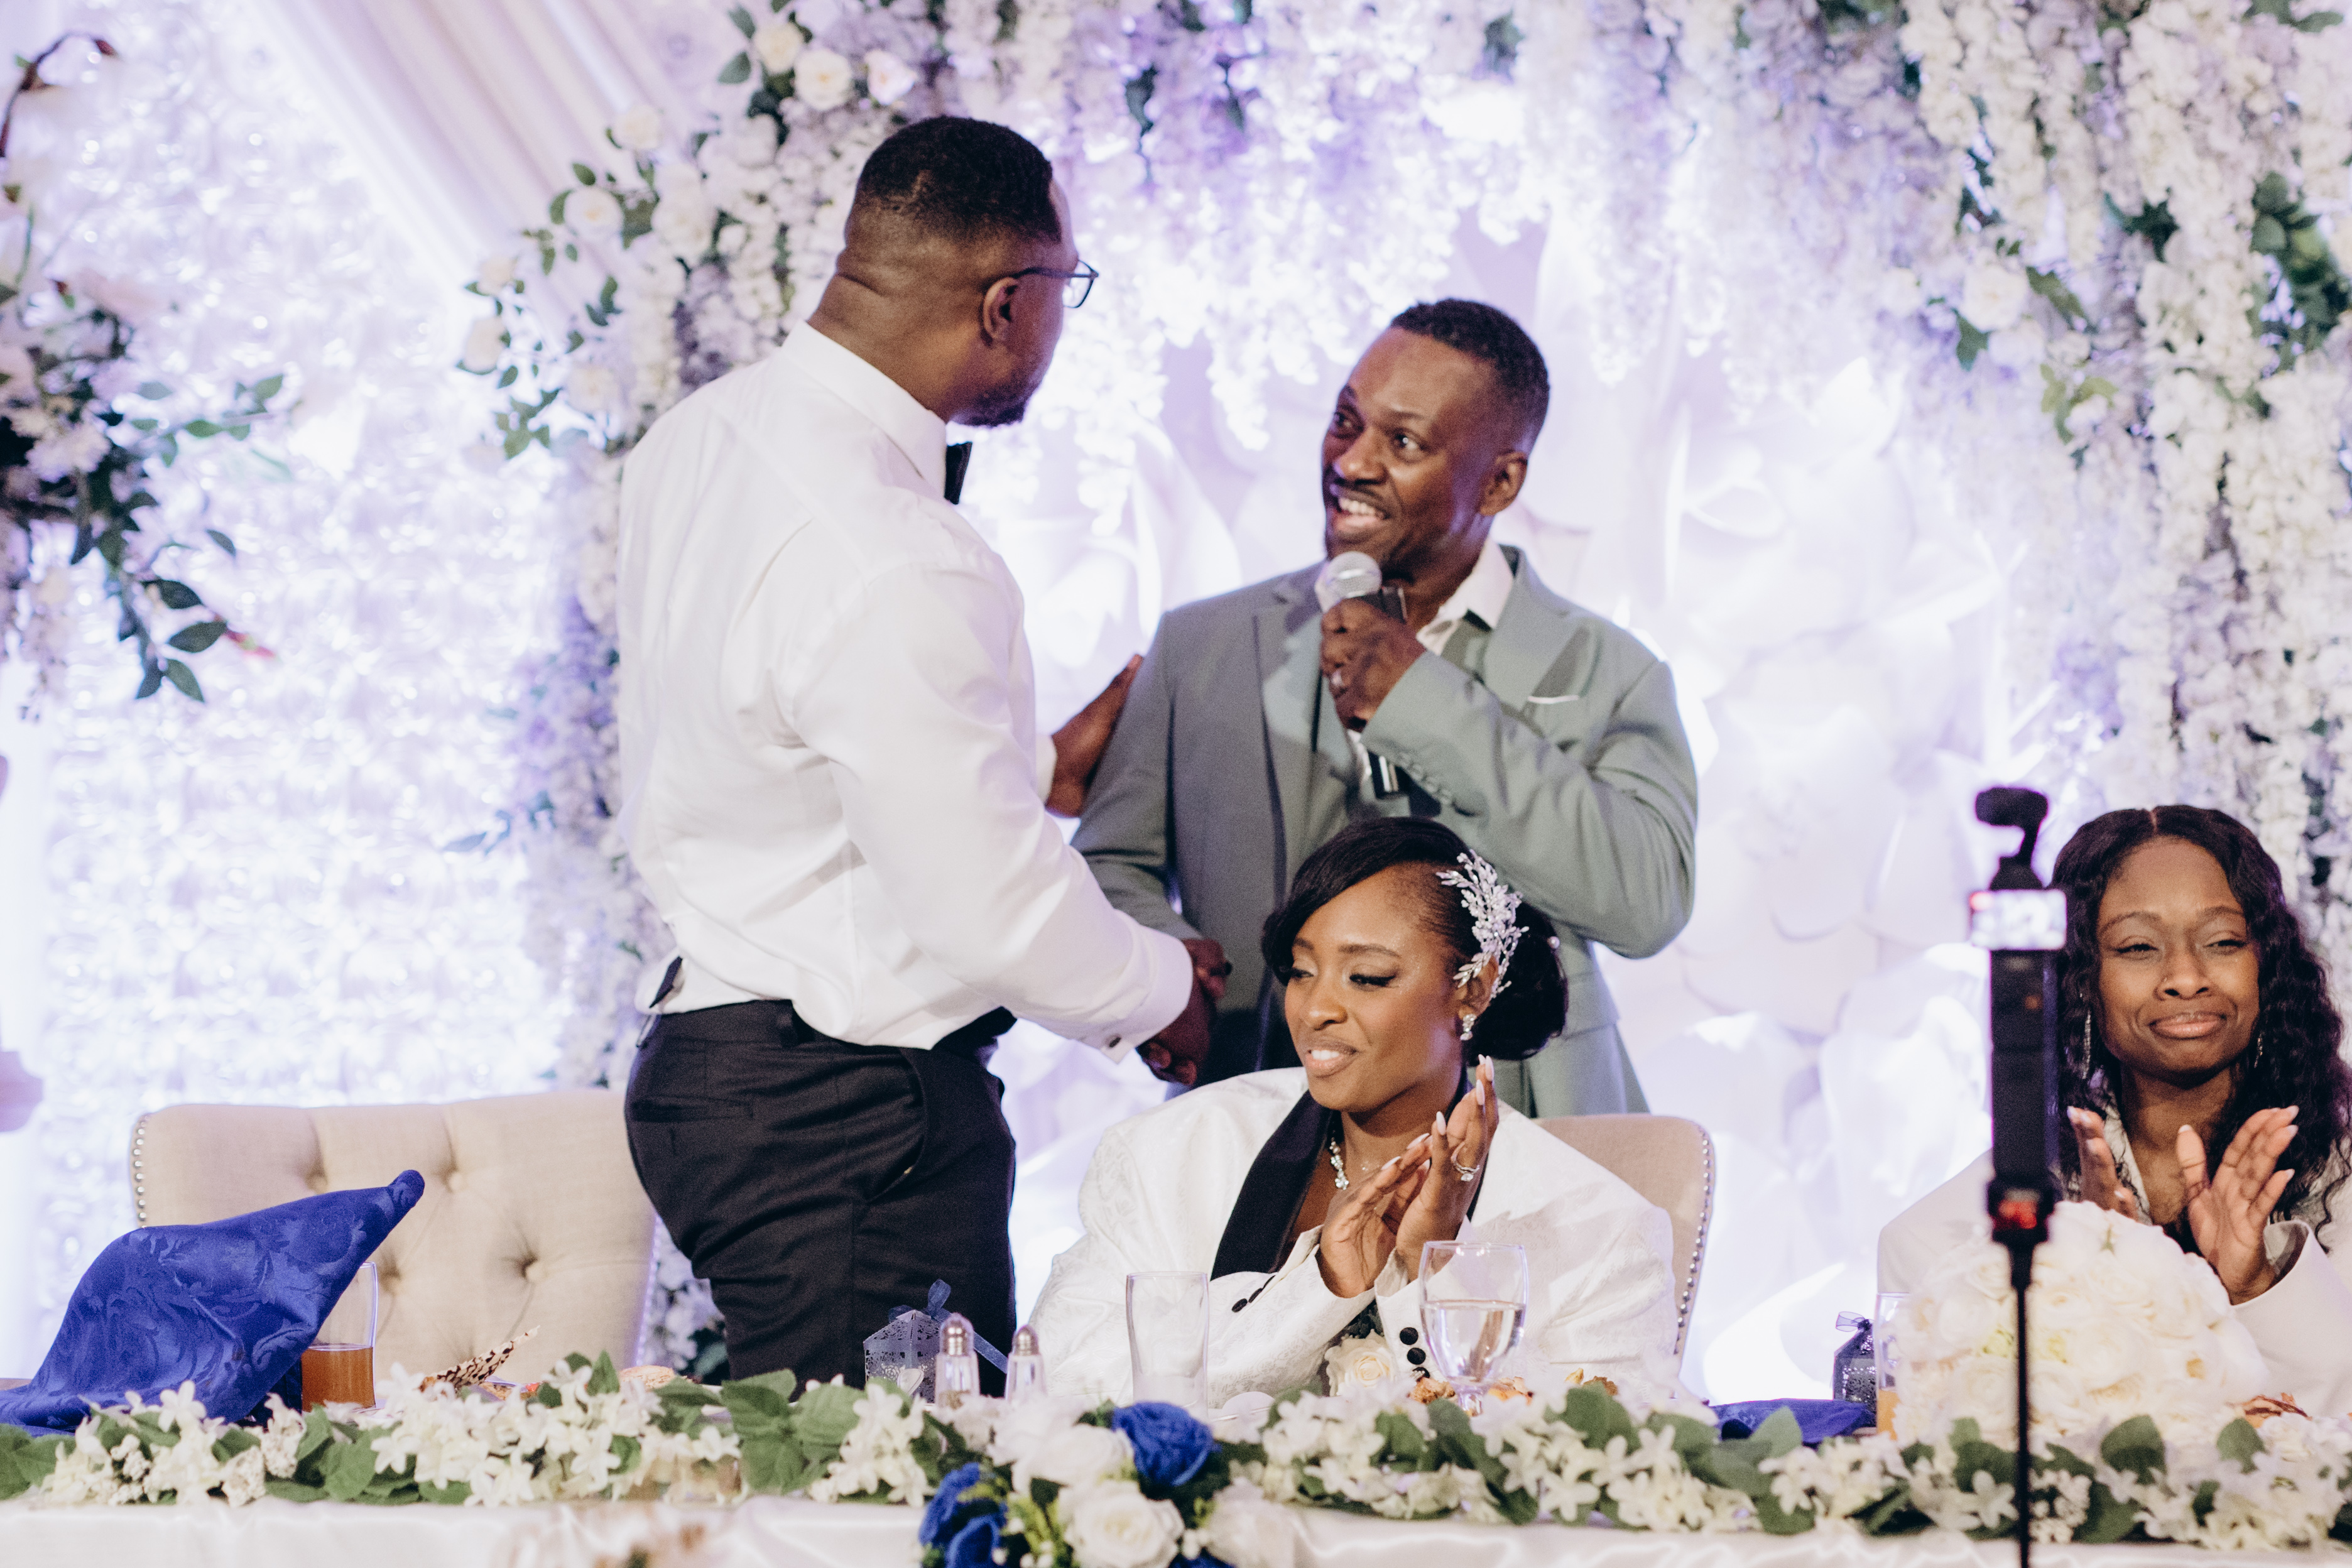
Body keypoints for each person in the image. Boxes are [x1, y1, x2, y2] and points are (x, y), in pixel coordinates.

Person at [613, 117, 1219, 1389]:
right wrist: (1166, 989)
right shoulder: (898, 547)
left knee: (824, 1477)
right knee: (892, 1487)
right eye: (1067, 288)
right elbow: (991, 914)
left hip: (724, 1071)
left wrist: (1030, 765)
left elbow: (773, 736)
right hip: (843, 1121)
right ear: (1004, 304)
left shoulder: (697, 439)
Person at [1074, 298, 1697, 1116]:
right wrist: (1173, 973)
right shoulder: (1200, 645)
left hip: (1527, 1131)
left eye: (1403, 443)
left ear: (1501, 481)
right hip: (1261, 1115)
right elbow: (1109, 863)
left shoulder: (1608, 669)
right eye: (1345, 422)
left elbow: (1648, 904)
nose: (1352, 461)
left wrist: (1427, 704)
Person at [1030, 818, 1681, 1406]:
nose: (1316, 1010)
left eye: (1366, 977)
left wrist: (1433, 1271)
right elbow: (1059, 1385)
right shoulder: (1171, 1154)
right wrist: (1323, 1285)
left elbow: (1593, 1462)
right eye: (1301, 971)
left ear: (1473, 988)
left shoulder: (1599, 1232)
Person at [1880, 805, 2352, 1414]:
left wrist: (2257, 1285)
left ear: (2268, 966)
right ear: (2081, 979)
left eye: (2222, 942)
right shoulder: (1947, 1240)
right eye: (2138, 947)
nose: (2186, 977)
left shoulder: (2339, 1179)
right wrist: (2096, 1281)